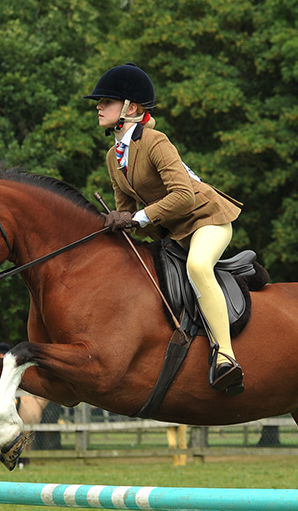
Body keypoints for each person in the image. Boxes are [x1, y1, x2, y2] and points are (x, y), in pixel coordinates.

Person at [89, 63, 246, 394]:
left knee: (199, 267)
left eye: (106, 101)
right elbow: (126, 211)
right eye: (99, 101)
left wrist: (138, 219)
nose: (98, 106)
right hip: (172, 233)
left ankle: (226, 358)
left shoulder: (156, 141)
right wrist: (112, 223)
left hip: (207, 219)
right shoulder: (113, 156)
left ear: (131, 108)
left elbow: (184, 196)